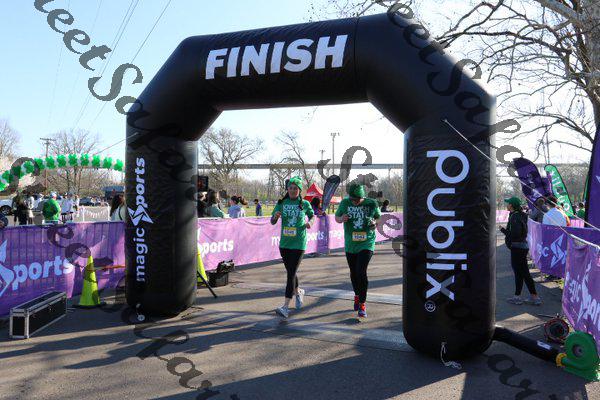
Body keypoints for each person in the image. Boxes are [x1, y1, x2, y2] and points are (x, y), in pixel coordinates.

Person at [335, 183, 381, 318]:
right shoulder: (345, 203)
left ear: (362, 197)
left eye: (356, 200)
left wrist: (375, 223)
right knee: (354, 272)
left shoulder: (371, 203)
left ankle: (362, 303)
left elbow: (378, 218)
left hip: (367, 242)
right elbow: (337, 217)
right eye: (352, 199)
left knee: (361, 271)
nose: (354, 202)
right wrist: (341, 218)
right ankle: (356, 295)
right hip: (351, 244)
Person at [271, 176, 314, 318]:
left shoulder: (305, 203)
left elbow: (312, 216)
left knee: (290, 273)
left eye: (295, 188)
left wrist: (310, 223)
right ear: (287, 189)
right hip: (284, 244)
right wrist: (275, 217)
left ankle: (285, 307)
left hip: (299, 243)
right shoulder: (282, 203)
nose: (293, 190)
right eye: (290, 188)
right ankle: (298, 291)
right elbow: (272, 221)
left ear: (300, 190)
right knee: (291, 272)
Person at [500, 197, 541, 305]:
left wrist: (503, 230)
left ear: (511, 205)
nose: (507, 205)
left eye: (508, 203)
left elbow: (516, 234)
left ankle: (525, 297)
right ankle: (529, 296)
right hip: (521, 247)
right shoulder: (519, 215)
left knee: (521, 273)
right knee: (522, 273)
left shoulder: (515, 216)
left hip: (517, 248)